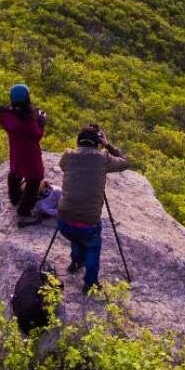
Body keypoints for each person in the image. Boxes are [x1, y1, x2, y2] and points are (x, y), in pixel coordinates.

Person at [58, 124, 132, 294]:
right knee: (92, 245)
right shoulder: (103, 158)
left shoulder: (68, 155)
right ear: (97, 143)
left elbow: (63, 167)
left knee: (75, 236)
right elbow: (125, 162)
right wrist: (107, 145)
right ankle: (90, 284)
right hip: (88, 224)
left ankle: (76, 262)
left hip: (64, 221)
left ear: (79, 141)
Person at [0, 83, 46, 225]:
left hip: (16, 149)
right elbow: (36, 135)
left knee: (15, 171)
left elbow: (15, 123)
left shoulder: (6, 114)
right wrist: (41, 121)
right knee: (35, 178)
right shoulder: (27, 120)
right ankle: (24, 211)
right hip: (30, 152)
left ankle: (15, 198)